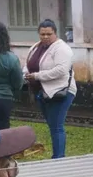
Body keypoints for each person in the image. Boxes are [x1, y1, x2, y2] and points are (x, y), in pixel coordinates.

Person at [24, 19, 76, 159]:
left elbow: (61, 70)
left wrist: (37, 76)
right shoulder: (36, 46)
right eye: (42, 34)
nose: (45, 37)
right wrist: (26, 74)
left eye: (49, 34)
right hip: (42, 92)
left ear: (55, 33)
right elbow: (28, 64)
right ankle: (57, 155)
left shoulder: (62, 48)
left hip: (60, 91)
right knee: (52, 125)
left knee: (57, 126)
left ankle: (58, 158)